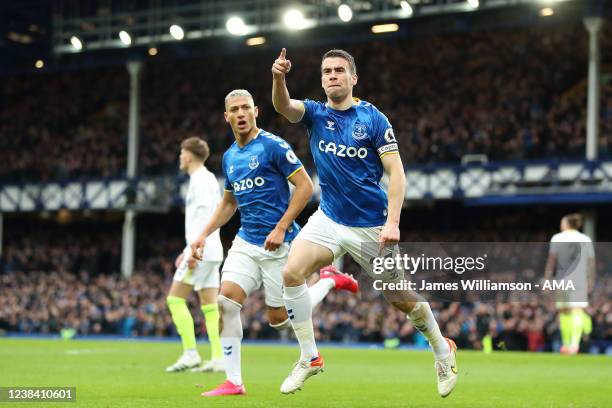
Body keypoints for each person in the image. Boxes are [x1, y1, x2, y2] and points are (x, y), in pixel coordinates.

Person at [271, 48, 458, 397]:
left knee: (400, 298)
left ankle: (441, 350)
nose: (332, 76)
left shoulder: (373, 120)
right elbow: (283, 107)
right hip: (328, 216)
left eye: (339, 70)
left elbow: (396, 172)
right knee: (291, 273)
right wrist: (279, 78)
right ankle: (309, 357)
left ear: (353, 78)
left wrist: (393, 222)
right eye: (327, 71)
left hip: (370, 225)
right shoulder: (315, 113)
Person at [191, 89, 358, 397]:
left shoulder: (272, 146)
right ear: (226, 116)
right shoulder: (229, 157)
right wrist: (202, 234)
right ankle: (234, 381)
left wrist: (281, 227)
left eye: (245, 108)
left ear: (256, 111)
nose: (240, 114)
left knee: (279, 321)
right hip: (245, 242)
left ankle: (327, 280)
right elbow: (229, 204)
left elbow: (306, 187)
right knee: (226, 301)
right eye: (234, 110)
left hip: (280, 245)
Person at [165, 137, 224, 373]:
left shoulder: (199, 180)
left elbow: (202, 216)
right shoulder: (209, 178)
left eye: (181, 153)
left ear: (188, 155)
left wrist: (191, 250)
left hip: (201, 251)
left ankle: (190, 353)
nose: (180, 157)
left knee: (175, 299)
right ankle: (218, 357)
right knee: (210, 306)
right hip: (213, 249)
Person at [544, 213, 595, 354]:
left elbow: (551, 260)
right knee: (577, 310)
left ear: (566, 224)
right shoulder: (585, 238)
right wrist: (591, 279)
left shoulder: (557, 238)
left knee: (564, 311)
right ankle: (574, 344)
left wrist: (547, 279)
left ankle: (566, 344)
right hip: (580, 278)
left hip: (563, 278)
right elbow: (591, 261)